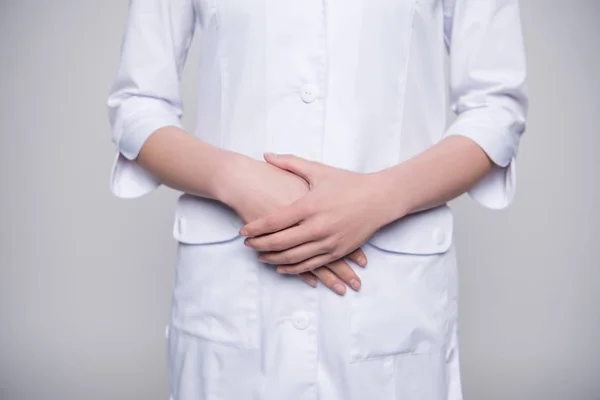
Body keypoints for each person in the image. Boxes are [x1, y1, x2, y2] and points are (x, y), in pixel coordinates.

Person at [106, 0, 527, 398]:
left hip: (384, 285)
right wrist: (234, 179)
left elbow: (495, 108)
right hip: (235, 276)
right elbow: (137, 104)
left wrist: (382, 197)